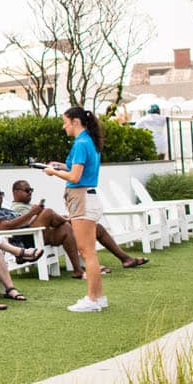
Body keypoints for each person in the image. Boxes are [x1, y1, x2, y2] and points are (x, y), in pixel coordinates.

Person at [4, 179, 147, 278]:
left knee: (94, 228)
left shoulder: (31, 206)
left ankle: (124, 259)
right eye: (27, 190)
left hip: (47, 234)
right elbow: (19, 226)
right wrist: (36, 213)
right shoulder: (15, 208)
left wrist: (60, 218)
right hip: (32, 238)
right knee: (49, 212)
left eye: (31, 190)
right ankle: (72, 223)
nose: (30, 193)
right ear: (16, 192)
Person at [42, 107, 108, 313]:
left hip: (82, 199)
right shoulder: (88, 140)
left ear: (75, 122)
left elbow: (75, 177)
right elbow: (77, 170)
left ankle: (93, 299)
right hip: (87, 197)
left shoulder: (80, 143)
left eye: (65, 122)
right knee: (89, 251)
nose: (64, 127)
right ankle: (98, 297)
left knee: (87, 252)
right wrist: (61, 166)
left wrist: (53, 172)